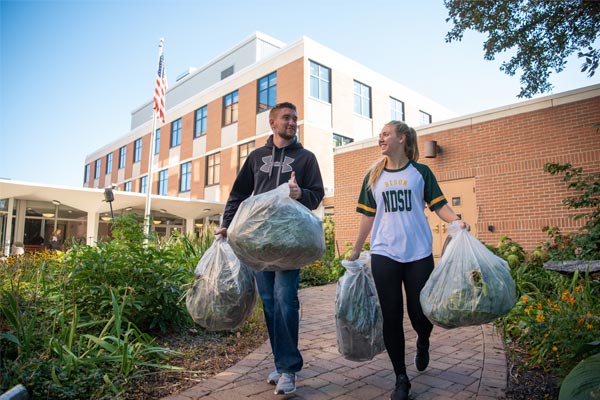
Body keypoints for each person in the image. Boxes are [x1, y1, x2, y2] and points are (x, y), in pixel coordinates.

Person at [348, 121, 467, 400]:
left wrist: (457, 221)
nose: (381, 138)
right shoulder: (373, 175)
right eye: (380, 134)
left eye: (386, 134)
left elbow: (439, 205)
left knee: (420, 314)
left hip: (418, 253)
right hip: (384, 253)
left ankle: (423, 339)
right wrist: (356, 248)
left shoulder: (421, 172)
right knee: (391, 316)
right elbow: (368, 216)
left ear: (402, 138)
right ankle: (401, 378)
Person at [216, 102, 324, 395]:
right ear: (272, 122)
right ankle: (280, 361)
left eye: (295, 119)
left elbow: (317, 196)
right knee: (269, 301)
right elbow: (239, 193)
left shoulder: (306, 158)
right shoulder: (256, 157)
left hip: (291, 244)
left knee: (285, 299)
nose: (292, 122)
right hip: (258, 243)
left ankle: (289, 369)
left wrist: (301, 192)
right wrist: (227, 224)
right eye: (286, 118)